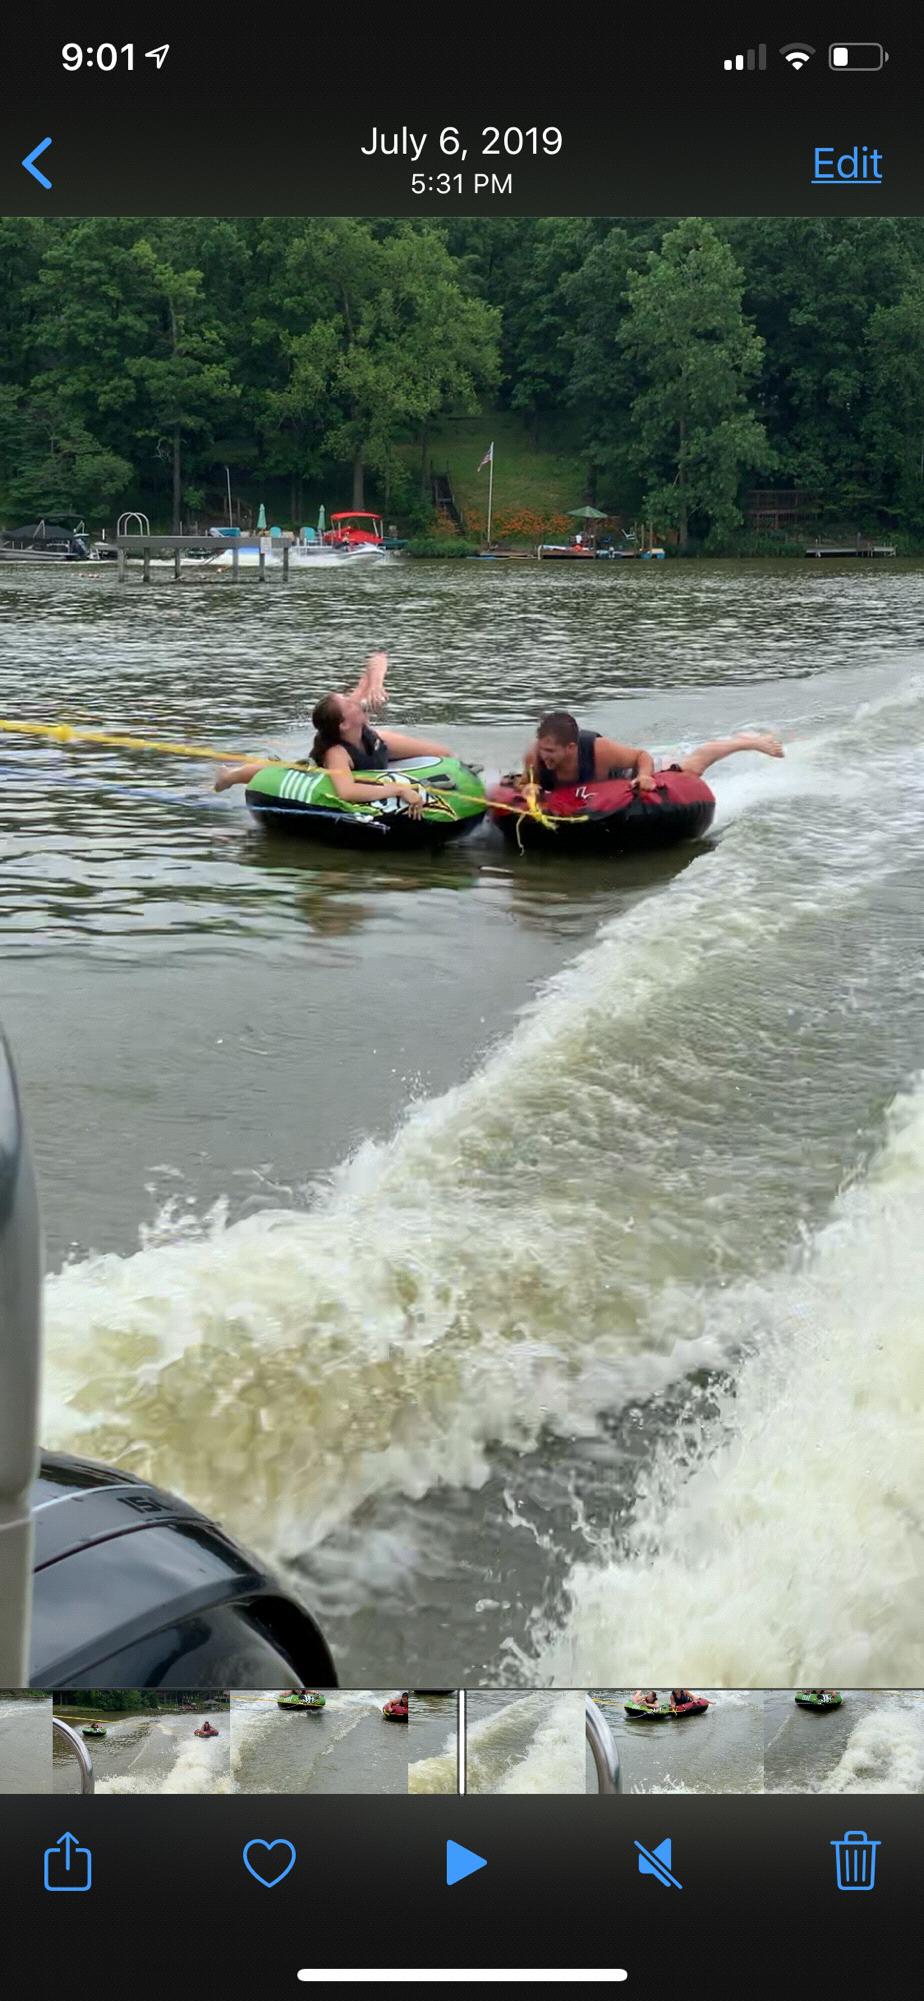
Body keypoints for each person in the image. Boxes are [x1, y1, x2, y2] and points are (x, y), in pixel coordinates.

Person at [214, 652, 449, 816]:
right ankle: (230, 776)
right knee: (285, 768)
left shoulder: (353, 716)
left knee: (443, 754)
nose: (355, 700)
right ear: (343, 724)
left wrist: (376, 684)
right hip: (346, 760)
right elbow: (347, 791)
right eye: (348, 703)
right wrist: (399, 789)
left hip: (370, 741)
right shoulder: (337, 753)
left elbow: (378, 658)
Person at [522, 711, 783, 795]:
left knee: (691, 767)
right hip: (596, 795)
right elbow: (527, 783)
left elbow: (641, 756)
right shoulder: (535, 758)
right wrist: (527, 787)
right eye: (542, 749)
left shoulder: (599, 750)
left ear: (570, 747)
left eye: (550, 751)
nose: (545, 756)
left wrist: (645, 776)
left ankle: (748, 742)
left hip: (631, 773)